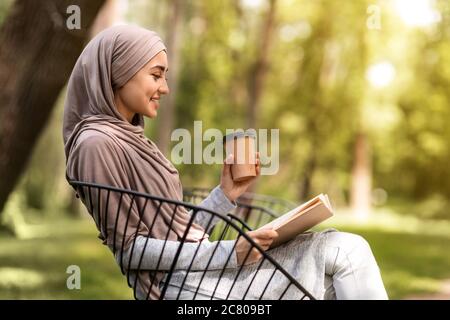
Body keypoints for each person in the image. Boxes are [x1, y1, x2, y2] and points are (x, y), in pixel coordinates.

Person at [63, 24, 388, 300]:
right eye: (156, 75)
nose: (165, 87)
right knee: (345, 253)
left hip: (201, 270)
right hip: (186, 287)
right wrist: (230, 252)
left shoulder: (128, 136)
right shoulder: (96, 144)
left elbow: (172, 233)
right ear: (120, 72)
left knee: (340, 262)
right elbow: (131, 251)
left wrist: (225, 195)